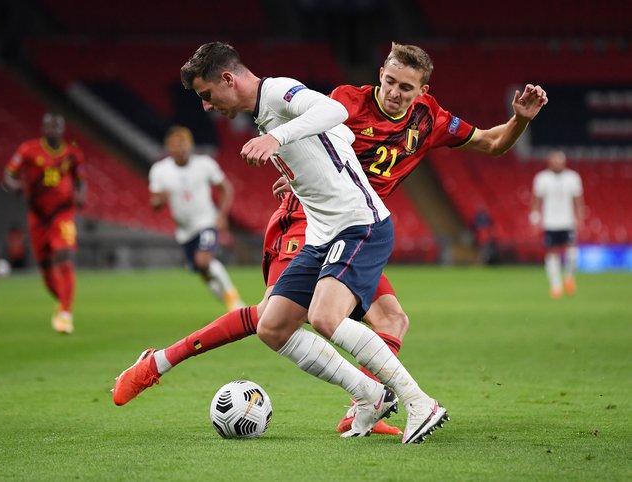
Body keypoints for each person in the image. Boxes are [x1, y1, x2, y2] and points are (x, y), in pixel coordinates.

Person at [113, 42, 548, 439]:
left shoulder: (424, 117)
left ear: (422, 90)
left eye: (406, 87)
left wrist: (519, 121)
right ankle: (370, 397)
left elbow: (491, 143)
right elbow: (333, 123)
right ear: (380, 74)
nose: (396, 93)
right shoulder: (345, 99)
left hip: (354, 223)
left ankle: (403, 402)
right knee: (274, 323)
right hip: (314, 221)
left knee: (370, 318)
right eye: (390, 82)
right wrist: (301, 178)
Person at [4, 113, 85, 334]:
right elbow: (9, 174)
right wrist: (15, 186)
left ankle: (66, 314)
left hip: (63, 214)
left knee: (64, 256)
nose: (52, 130)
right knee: (47, 270)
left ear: (62, 129)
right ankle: (62, 303)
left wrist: (80, 195)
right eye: (48, 126)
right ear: (42, 128)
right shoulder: (28, 151)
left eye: (56, 126)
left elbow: (80, 181)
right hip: (38, 216)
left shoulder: (72, 154)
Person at [149, 126, 244, 311]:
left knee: (203, 261)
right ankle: (228, 302)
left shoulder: (204, 164)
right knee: (202, 270)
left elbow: (225, 188)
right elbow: (154, 203)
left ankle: (234, 299)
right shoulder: (160, 170)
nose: (180, 149)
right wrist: (160, 199)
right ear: (169, 148)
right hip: (184, 231)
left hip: (206, 221)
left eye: (183, 144)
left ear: (190, 145)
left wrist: (222, 214)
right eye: (175, 145)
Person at [529, 150, 584, 298]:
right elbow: (537, 199)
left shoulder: (573, 177)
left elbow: (578, 199)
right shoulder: (542, 178)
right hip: (550, 222)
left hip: (568, 221)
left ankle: (569, 278)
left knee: (572, 253)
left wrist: (580, 217)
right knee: (552, 253)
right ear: (549, 162)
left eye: (560, 161)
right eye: (555, 161)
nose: (558, 164)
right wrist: (534, 215)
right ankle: (556, 286)